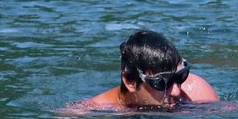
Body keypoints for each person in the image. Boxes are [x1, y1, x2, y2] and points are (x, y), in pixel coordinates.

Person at [73, 30, 219, 111]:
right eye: (162, 82)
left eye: (180, 77)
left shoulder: (197, 93)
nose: (176, 91)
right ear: (130, 81)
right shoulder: (93, 111)